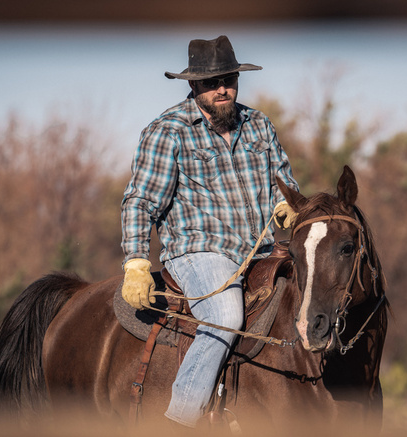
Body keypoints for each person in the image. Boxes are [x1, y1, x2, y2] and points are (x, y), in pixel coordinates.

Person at [120, 35, 299, 427]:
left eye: (229, 80)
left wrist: (286, 205)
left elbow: (282, 183)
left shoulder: (259, 125)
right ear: (193, 86)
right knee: (225, 315)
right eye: (211, 82)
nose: (223, 89)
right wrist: (136, 261)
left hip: (261, 248)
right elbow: (141, 200)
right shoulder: (169, 131)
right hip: (200, 251)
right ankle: (180, 421)